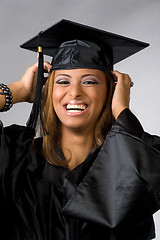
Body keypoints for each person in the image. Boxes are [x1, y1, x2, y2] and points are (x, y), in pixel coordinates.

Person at [0, 19, 160, 240]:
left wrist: (122, 111)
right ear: (49, 91)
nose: (74, 92)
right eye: (63, 81)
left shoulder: (126, 164)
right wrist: (17, 91)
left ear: (110, 91)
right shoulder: (17, 156)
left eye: (90, 82)